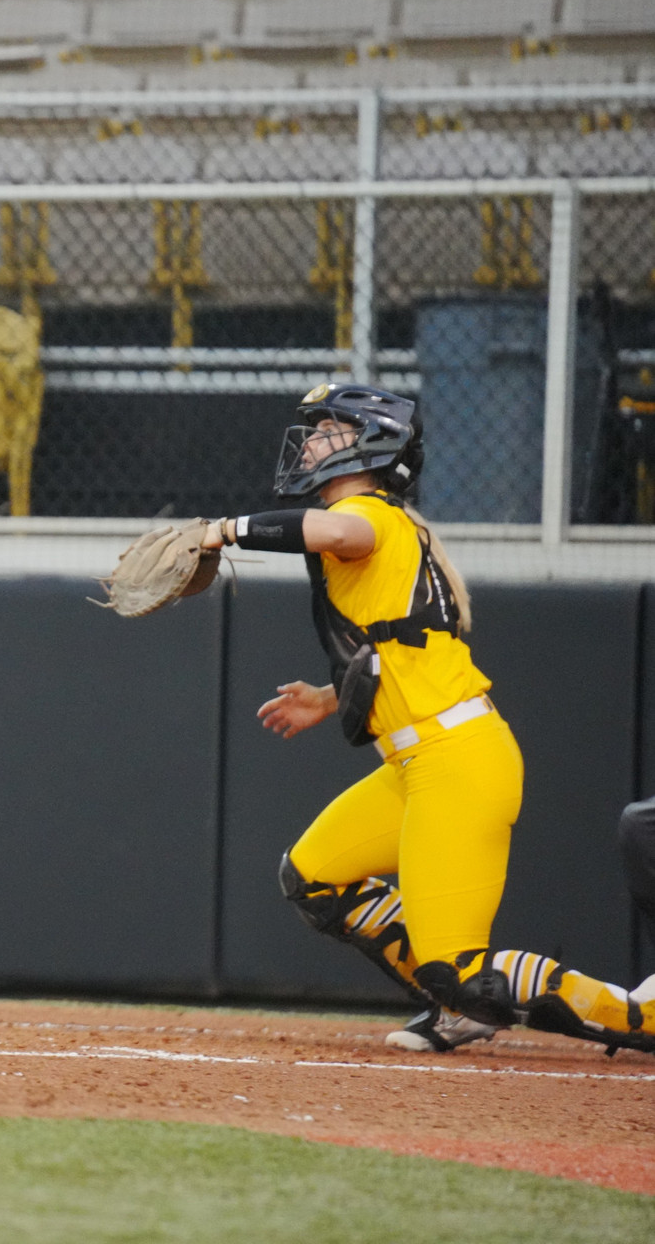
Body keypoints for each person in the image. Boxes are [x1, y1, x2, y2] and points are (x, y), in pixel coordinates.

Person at [212, 382, 653, 1055]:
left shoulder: (372, 514)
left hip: (456, 762)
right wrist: (330, 696)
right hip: (417, 763)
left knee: (461, 966)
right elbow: (404, 646)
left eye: (330, 430)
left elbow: (335, 530)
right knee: (312, 876)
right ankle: (457, 1006)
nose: (313, 442)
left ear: (369, 444)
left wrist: (224, 530)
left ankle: (635, 1017)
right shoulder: (388, 529)